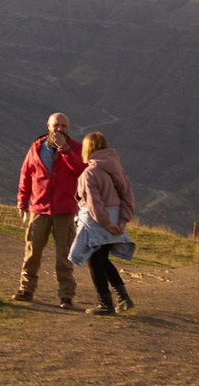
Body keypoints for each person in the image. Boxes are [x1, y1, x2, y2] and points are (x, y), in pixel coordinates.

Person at [15, 111, 87, 307]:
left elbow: (82, 172)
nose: (59, 129)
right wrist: (22, 202)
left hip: (64, 211)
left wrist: (65, 150)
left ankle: (66, 296)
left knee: (64, 256)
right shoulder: (36, 148)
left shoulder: (77, 149)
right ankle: (26, 290)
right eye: (56, 125)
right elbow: (26, 175)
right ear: (48, 125)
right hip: (39, 209)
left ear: (68, 128)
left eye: (63, 126)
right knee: (32, 252)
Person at [71, 132, 138, 315]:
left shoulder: (89, 173)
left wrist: (106, 223)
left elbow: (93, 203)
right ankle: (123, 297)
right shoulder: (119, 170)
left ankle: (105, 303)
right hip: (116, 221)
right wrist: (121, 222)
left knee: (95, 263)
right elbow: (128, 197)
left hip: (96, 223)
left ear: (87, 149)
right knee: (104, 260)